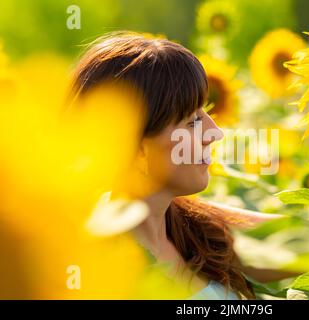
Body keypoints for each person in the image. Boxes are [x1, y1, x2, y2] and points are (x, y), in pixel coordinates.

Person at [71, 32, 288, 300]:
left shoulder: (191, 224)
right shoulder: (106, 270)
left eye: (204, 112)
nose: (214, 132)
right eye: (191, 122)